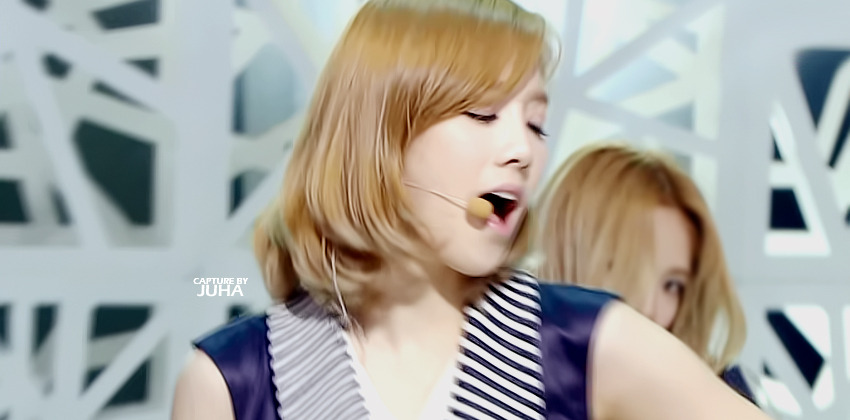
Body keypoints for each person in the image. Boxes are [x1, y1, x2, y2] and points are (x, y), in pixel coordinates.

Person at [171, 1, 772, 419]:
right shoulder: (231, 382)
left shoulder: (588, 344)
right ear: (377, 136)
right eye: (482, 114)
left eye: (536, 123)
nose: (523, 150)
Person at [532, 142, 768, 407]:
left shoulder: (717, 393)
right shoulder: (508, 381)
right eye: (624, 269)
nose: (648, 309)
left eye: (672, 285)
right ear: (566, 254)